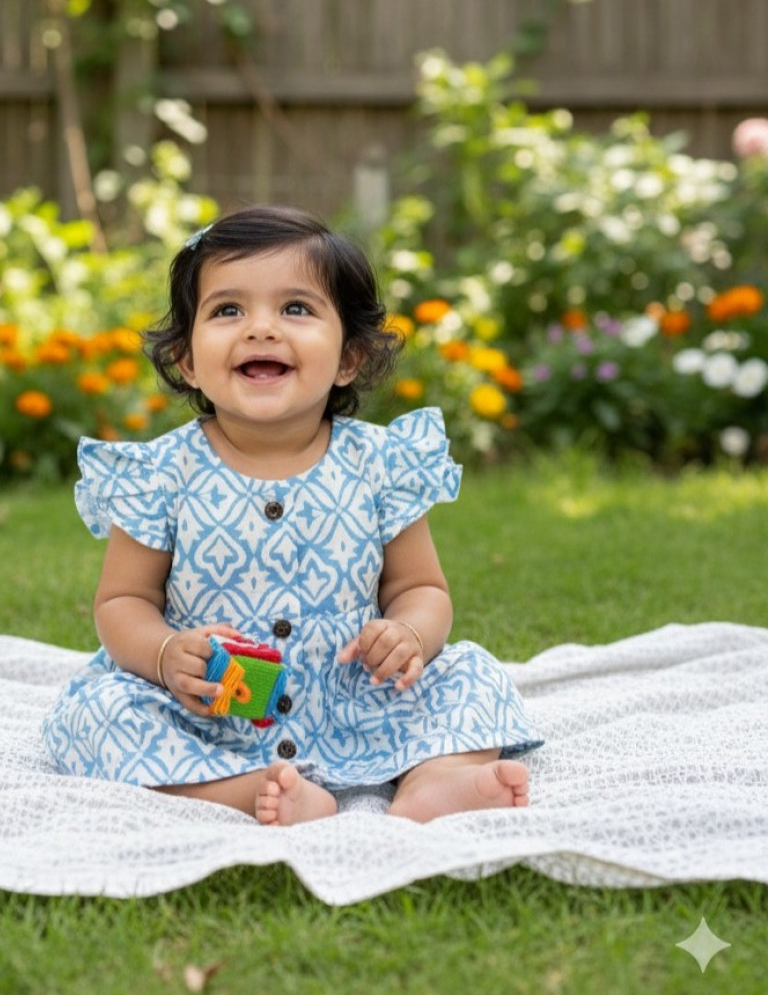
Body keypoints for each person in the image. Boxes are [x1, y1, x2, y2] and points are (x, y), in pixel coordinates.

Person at [42, 205, 543, 825]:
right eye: (228, 309)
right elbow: (121, 603)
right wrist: (167, 653)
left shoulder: (380, 463)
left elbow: (421, 587)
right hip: (211, 714)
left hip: (358, 700)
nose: (260, 329)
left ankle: (434, 783)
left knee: (472, 673)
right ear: (189, 359)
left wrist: (408, 635)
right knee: (100, 712)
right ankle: (248, 790)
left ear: (349, 358)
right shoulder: (161, 473)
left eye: (296, 308)